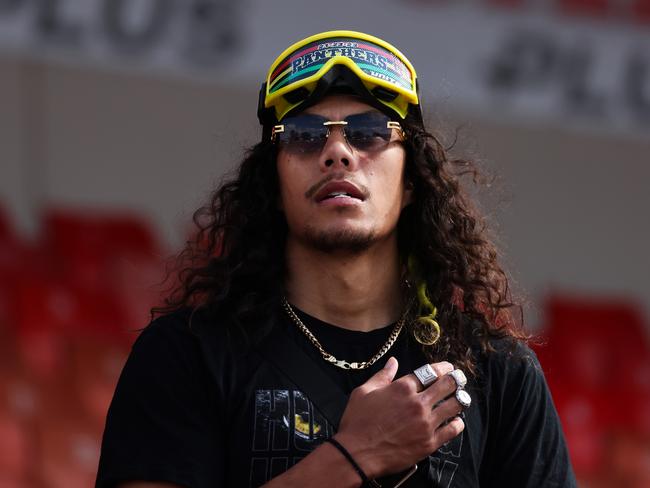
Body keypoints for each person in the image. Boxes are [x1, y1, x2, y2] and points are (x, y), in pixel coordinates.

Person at [96, 30, 577, 488]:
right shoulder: (186, 354)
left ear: (412, 182)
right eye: (305, 135)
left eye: (368, 133)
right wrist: (355, 455)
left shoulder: (498, 371)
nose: (337, 152)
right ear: (273, 187)